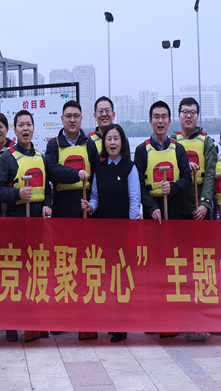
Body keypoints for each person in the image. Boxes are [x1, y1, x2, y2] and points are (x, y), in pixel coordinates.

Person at [82, 123, 153, 343]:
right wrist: (90, 207)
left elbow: (135, 201)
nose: (112, 142)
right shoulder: (99, 168)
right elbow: (95, 197)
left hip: (124, 234)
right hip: (103, 234)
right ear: (104, 143)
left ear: (122, 142)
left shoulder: (129, 168)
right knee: (105, 278)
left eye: (116, 138)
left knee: (121, 280)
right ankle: (109, 320)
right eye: (108, 139)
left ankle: (122, 324)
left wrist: (132, 231)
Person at [0, 109, 52, 342]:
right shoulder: (8, 157)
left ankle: (36, 321)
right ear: (15, 130)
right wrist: (18, 193)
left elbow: (47, 189)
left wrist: (47, 205)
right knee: (15, 274)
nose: (25, 128)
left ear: (33, 129)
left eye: (29, 124)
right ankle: (12, 323)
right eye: (21, 125)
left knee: (36, 273)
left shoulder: (41, 157)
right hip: (16, 223)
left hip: (37, 224)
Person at [134, 101, 193, 221]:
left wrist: (172, 188)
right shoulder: (141, 150)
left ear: (169, 121)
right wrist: (152, 208)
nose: (160, 121)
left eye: (164, 117)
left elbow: (187, 179)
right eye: (156, 117)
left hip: (174, 210)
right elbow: (138, 185)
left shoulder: (178, 149)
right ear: (150, 121)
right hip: (152, 213)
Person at [45, 100, 98, 219]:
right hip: (61, 204)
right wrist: (77, 173)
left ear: (81, 119)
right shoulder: (53, 144)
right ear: (62, 119)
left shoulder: (89, 144)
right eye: (68, 116)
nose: (72, 120)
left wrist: (92, 204)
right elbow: (51, 170)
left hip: (85, 203)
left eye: (76, 116)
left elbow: (96, 175)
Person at [170, 97, 216, 220]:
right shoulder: (171, 142)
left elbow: (210, 174)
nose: (188, 116)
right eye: (185, 112)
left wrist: (205, 203)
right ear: (179, 115)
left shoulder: (207, 141)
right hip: (177, 204)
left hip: (199, 205)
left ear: (198, 116)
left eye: (192, 112)